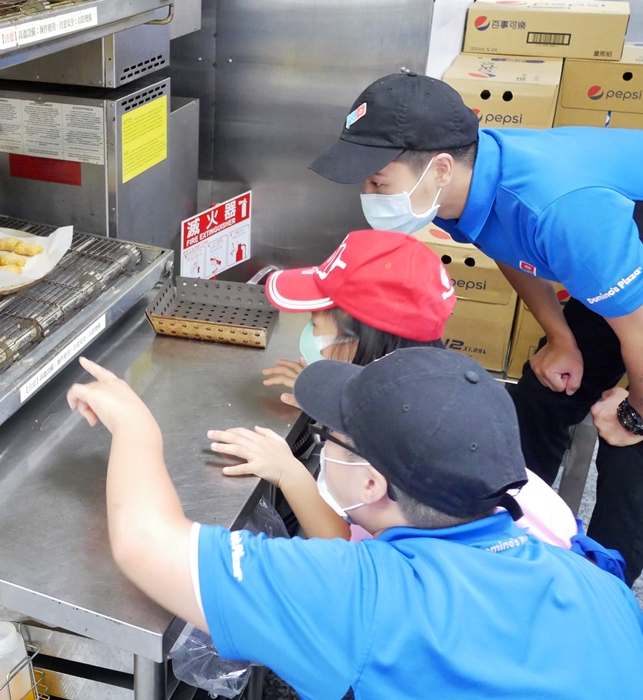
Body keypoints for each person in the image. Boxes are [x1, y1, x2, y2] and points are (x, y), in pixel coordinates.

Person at [66, 349, 643, 699]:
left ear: (371, 484)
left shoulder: (369, 596)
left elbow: (144, 543)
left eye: (327, 437)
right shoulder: (587, 575)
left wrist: (136, 426)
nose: (322, 445)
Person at [310, 70, 643, 585]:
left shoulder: (561, 211)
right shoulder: (460, 186)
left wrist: (634, 414)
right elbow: (506, 244)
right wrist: (560, 338)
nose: (369, 193)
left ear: (439, 168)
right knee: (543, 393)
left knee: (629, 454)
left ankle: (598, 593)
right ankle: (506, 536)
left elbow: (637, 332)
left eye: (378, 182)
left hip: (613, 247)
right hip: (614, 262)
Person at [214, 228, 584, 554]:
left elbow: (350, 552)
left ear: (356, 337)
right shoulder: (440, 387)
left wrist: (289, 472)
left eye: (315, 321)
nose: (309, 332)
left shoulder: (392, 443)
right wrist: (328, 394)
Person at [260, 228, 453, 410]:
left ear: (362, 338)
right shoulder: (412, 389)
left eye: (315, 322)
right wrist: (330, 401)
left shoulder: (405, 421)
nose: (311, 331)